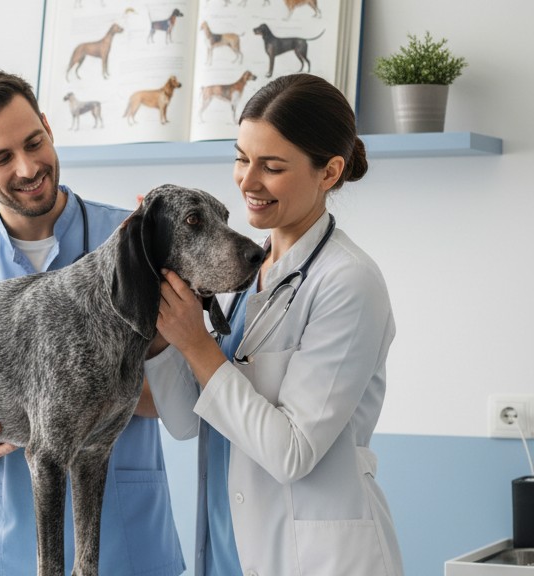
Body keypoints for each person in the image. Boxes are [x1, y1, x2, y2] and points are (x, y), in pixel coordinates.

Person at [0, 69, 185, 576]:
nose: (28, 167)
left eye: (34, 141)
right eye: (0, 158)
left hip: (123, 542)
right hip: (4, 546)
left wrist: (88, 392)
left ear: (48, 125)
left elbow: (182, 389)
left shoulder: (132, 241)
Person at [146, 73, 404, 576]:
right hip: (225, 550)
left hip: (314, 558)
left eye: (272, 166)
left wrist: (198, 345)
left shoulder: (348, 283)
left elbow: (292, 452)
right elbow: (183, 421)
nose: (247, 181)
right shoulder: (245, 271)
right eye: (242, 158)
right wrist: (164, 332)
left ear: (329, 172)